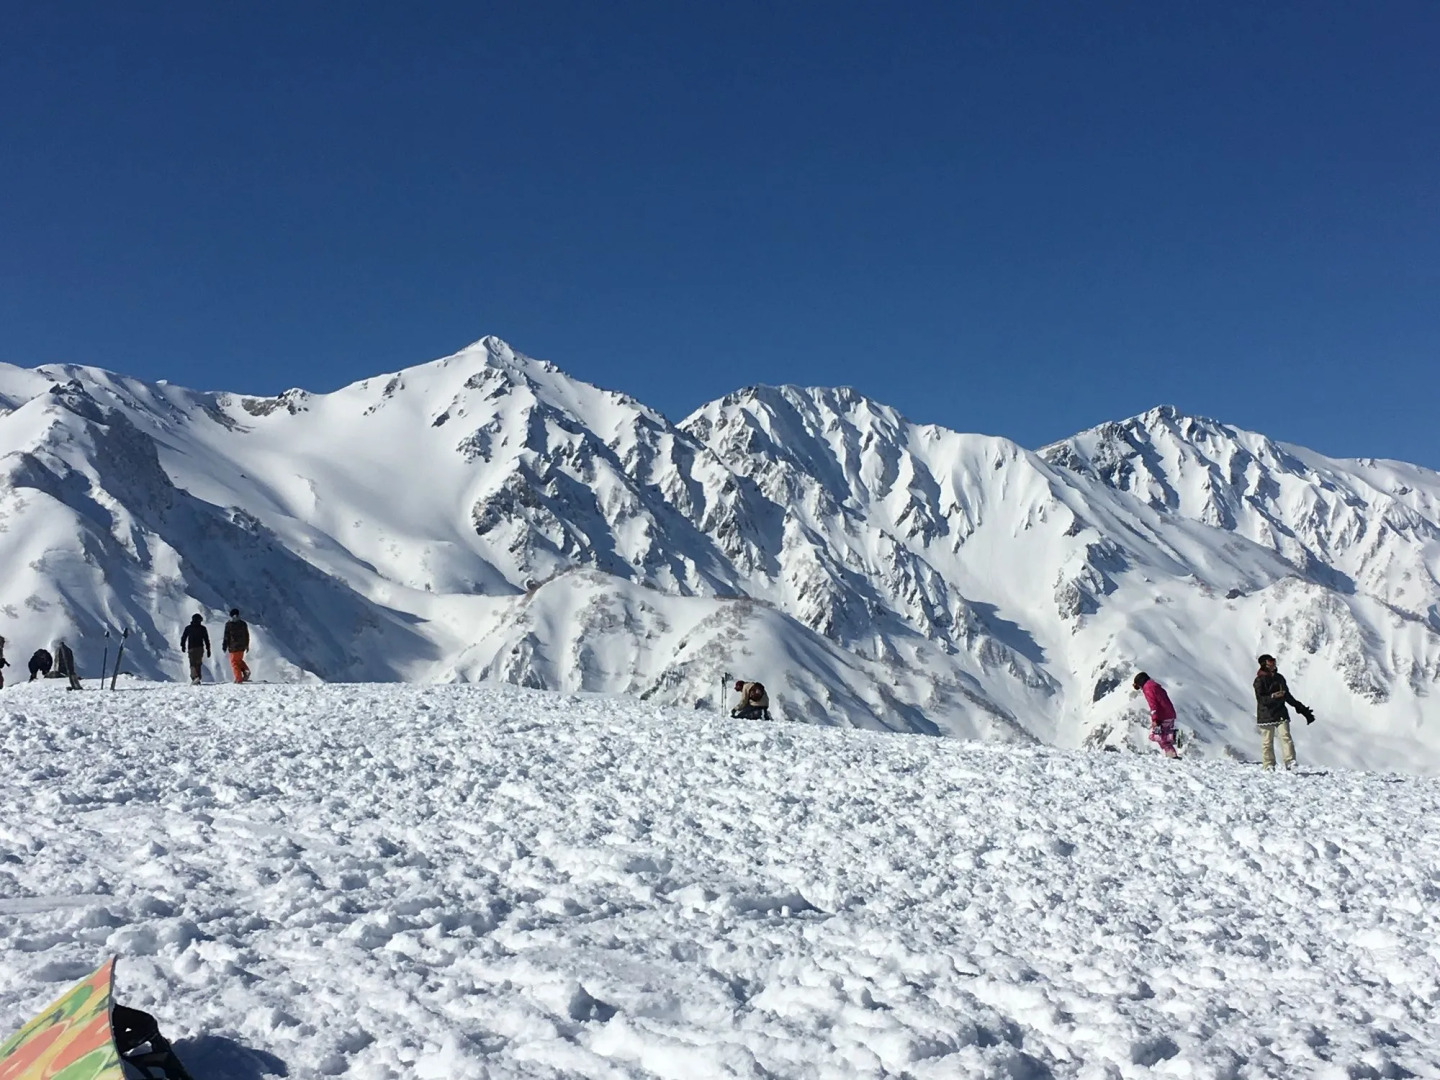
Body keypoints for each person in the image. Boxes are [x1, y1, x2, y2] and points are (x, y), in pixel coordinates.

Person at [1254, 653, 1315, 771]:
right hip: (1266, 714)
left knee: (1286, 737)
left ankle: (1290, 761)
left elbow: (1288, 696)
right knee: (1267, 741)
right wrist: (1273, 696)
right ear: (1264, 664)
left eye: (1274, 661)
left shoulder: (1279, 678)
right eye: (1271, 661)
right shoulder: (1259, 681)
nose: (1273, 664)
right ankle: (1269, 765)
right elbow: (1261, 699)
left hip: (1280, 712)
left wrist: (1301, 709)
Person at [1132, 671, 1179, 758]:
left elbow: (1153, 705)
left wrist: (1155, 719)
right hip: (1169, 713)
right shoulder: (1155, 685)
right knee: (1164, 740)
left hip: (1162, 716)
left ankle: (1175, 735)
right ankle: (1172, 756)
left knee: (1154, 735)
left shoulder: (1148, 689)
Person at [179, 614, 211, 685]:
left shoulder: (188, 628)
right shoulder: (202, 628)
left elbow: (183, 638)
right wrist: (208, 649)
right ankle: (198, 678)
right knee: (198, 664)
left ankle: (195, 677)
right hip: (200, 648)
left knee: (192, 664)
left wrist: (183, 646)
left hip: (192, 648)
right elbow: (206, 639)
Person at [221, 608, 251, 683]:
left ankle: (238, 678)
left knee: (234, 662)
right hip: (242, 646)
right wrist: (247, 645)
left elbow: (226, 636)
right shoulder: (243, 623)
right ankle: (245, 670)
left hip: (233, 646)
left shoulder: (229, 624)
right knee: (239, 660)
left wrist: (224, 646)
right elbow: (246, 635)